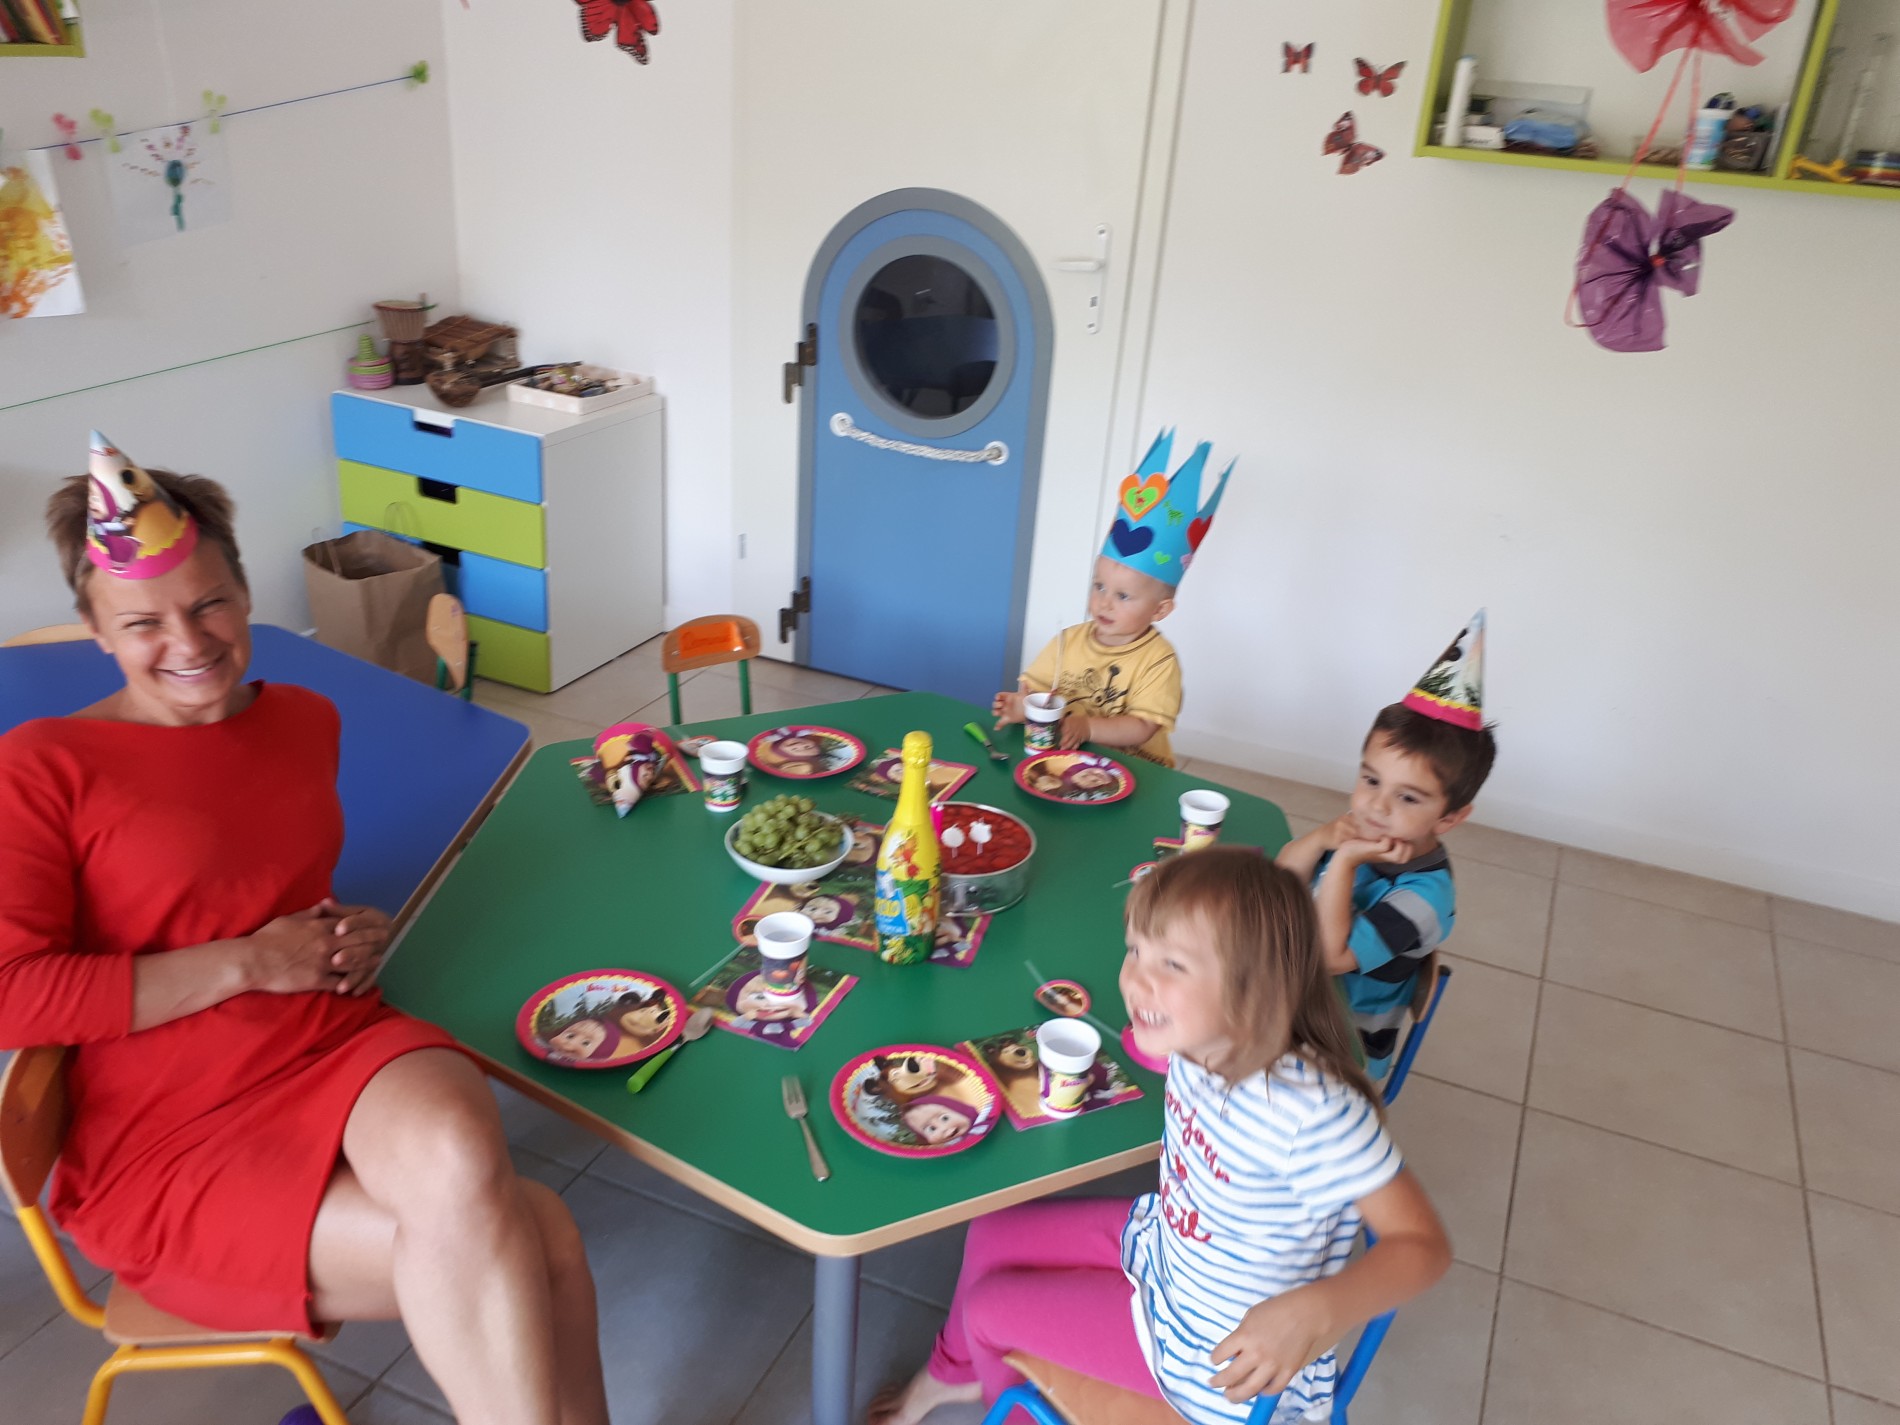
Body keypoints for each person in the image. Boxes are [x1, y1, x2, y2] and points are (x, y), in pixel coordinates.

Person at [0, 435, 609, 1425]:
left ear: (247, 595)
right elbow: (11, 994)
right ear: (96, 631)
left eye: (210, 603)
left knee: (460, 1145)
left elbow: (255, 879)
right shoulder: (41, 765)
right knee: (540, 1233)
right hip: (165, 1125)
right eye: (143, 621)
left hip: (323, 1033)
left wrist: (341, 931)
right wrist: (251, 961)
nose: (188, 640)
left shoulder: (305, 719)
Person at [870, 849, 1449, 1425]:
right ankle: (953, 1374)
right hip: (1168, 1248)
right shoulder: (1197, 1038)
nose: (1136, 979)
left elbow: (1423, 1247)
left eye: (1172, 964)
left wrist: (1317, 1311)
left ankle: (1001, 1398)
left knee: (987, 1311)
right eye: (1135, 950)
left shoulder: (1309, 1111)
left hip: (1213, 1353)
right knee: (991, 1232)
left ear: (1254, 985)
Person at [1275, 612, 1497, 1078]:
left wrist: (1343, 863)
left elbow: (1329, 958)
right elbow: (1282, 877)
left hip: (1334, 1045)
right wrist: (1321, 838)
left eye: (1408, 797)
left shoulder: (1424, 900)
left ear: (1449, 818)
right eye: (1371, 780)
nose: (1377, 805)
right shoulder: (1363, 830)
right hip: (1291, 989)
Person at [992, 430, 1234, 768]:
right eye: (1099, 586)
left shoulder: (1159, 661)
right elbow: (1038, 692)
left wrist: (1088, 726)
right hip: (1069, 761)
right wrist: (1023, 708)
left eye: (1123, 596)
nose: (1104, 602)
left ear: (1160, 609)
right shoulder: (1067, 642)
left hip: (1138, 768)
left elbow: (1143, 726)